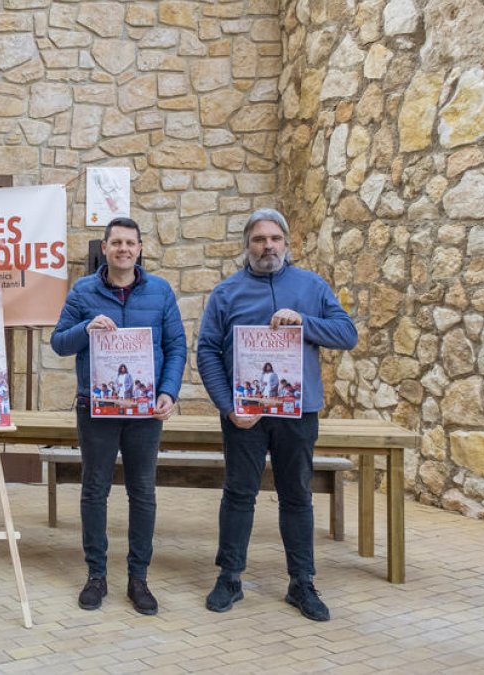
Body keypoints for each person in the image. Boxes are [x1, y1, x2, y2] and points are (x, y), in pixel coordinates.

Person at [196, 208, 358, 622]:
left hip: (297, 413)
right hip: (245, 415)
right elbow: (207, 352)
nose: (267, 246)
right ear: (247, 245)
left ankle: (302, 582)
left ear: (286, 243)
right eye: (259, 239)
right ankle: (230, 577)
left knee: (297, 495)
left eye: (274, 239)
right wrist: (228, 405)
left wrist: (304, 322)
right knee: (238, 494)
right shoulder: (226, 293)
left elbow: (347, 334)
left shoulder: (311, 286)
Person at [50, 216, 186, 615]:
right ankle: (96, 575)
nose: (123, 249)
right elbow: (59, 342)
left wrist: (168, 391)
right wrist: (86, 329)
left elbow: (177, 346)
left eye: (130, 243)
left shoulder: (160, 291)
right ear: (105, 249)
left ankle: (138, 577)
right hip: (96, 409)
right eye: (117, 243)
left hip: (144, 412)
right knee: (95, 490)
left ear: (140, 249)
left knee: (142, 491)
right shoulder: (83, 291)